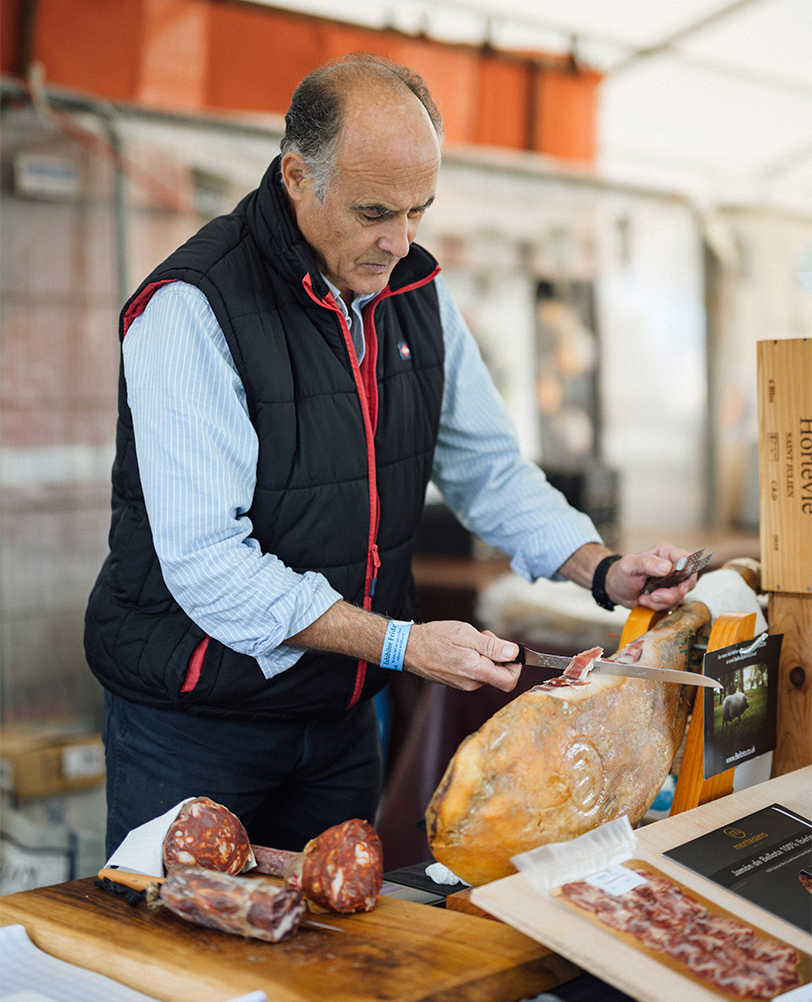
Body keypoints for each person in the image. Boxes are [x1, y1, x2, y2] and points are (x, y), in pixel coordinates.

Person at [86, 53, 698, 857]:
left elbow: (488, 469)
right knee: (176, 959)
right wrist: (403, 643)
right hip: (195, 721)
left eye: (420, 210)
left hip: (339, 721)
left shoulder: (415, 290)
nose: (399, 240)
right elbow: (207, 563)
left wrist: (602, 569)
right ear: (298, 176)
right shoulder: (191, 308)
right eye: (377, 210)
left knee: (335, 955)